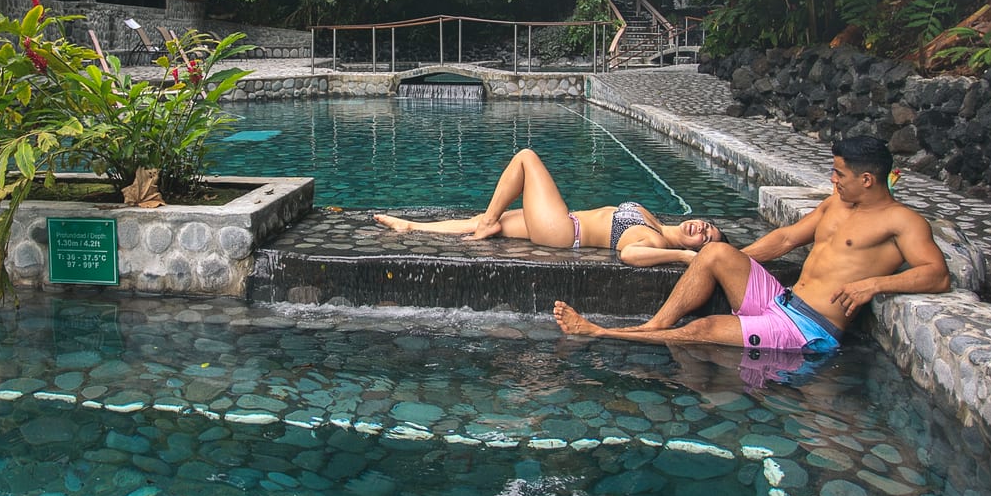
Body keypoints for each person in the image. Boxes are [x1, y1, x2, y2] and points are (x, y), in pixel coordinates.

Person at [552, 136, 950, 351]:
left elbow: (937, 276)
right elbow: (786, 238)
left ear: (868, 180)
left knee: (703, 328)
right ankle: (656, 324)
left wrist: (875, 284)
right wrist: (730, 260)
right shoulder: (836, 204)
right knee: (715, 252)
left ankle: (601, 333)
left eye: (839, 174)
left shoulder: (902, 222)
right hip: (782, 299)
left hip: (807, 327)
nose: (833, 180)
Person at [373, 147, 720, 266]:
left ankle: (487, 222)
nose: (701, 230)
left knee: (526, 158)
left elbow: (629, 256)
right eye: (707, 226)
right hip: (563, 223)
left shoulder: (657, 243)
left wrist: (683, 257)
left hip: (564, 233)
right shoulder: (655, 222)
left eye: (705, 239)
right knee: (488, 222)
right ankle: (411, 226)